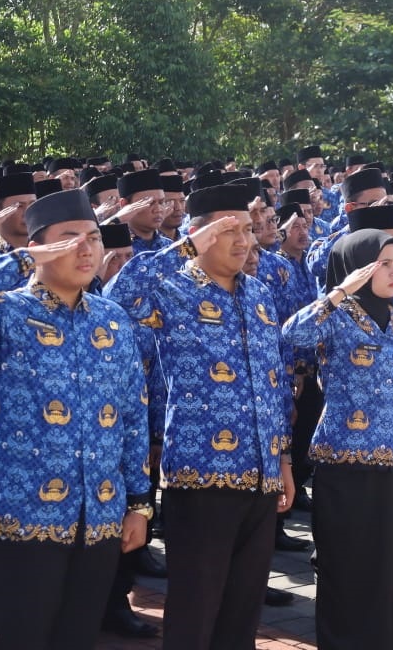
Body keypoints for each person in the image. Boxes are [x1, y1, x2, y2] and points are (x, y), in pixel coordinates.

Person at [0, 189, 151, 650]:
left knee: (77, 639)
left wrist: (139, 503)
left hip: (100, 516)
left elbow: (132, 414)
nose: (86, 248)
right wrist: (18, 261)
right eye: (69, 238)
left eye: (92, 237)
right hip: (23, 518)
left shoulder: (112, 320)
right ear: (38, 247)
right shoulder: (8, 313)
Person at [105, 183, 293, 650]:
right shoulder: (171, 289)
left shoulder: (260, 295)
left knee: (243, 608)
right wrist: (185, 249)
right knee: (196, 608)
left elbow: (274, 385)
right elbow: (114, 300)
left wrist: (284, 460)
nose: (242, 241)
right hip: (202, 474)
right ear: (197, 233)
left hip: (262, 474)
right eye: (227, 230)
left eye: (247, 229)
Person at [281, 230, 393, 650]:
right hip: (345, 463)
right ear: (357, 268)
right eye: (382, 263)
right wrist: (337, 294)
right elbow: (291, 337)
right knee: (347, 567)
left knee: (390, 568)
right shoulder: (336, 317)